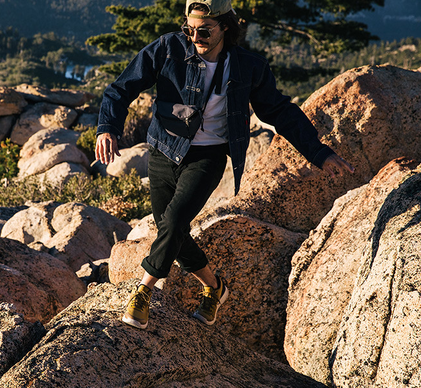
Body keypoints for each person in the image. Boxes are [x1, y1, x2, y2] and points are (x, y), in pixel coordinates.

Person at [95, 0, 355, 330]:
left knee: (173, 221)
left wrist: (319, 153)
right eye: (190, 29)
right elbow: (121, 87)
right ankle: (215, 288)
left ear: (225, 27)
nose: (195, 36)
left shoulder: (248, 67)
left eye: (204, 30)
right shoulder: (168, 47)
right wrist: (107, 128)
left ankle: (143, 290)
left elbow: (279, 112)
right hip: (164, 151)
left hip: (208, 157)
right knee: (170, 231)